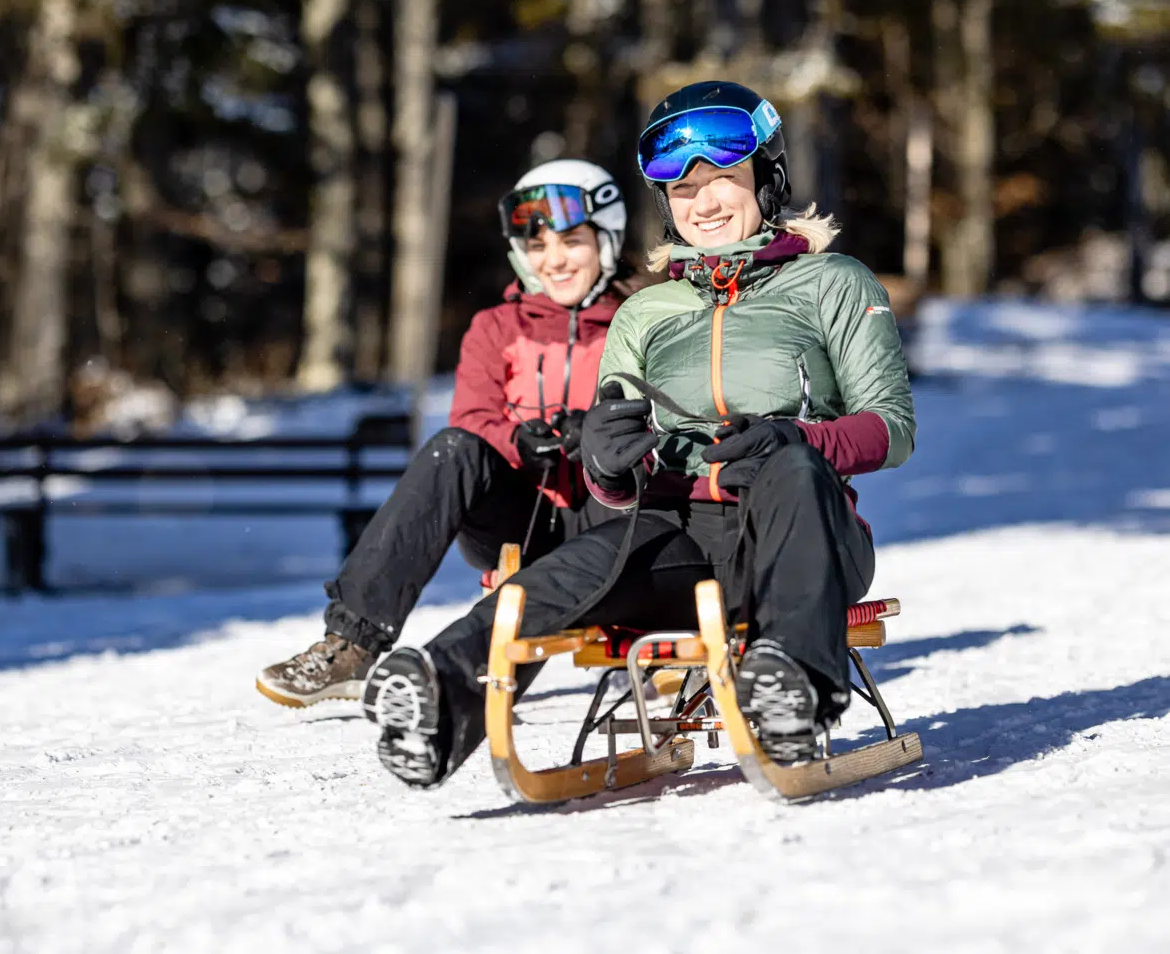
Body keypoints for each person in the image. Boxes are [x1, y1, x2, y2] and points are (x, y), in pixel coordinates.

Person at [359, 81, 917, 786]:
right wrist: (608, 464)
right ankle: (438, 699)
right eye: (684, 193)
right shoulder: (646, 312)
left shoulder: (832, 283)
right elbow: (608, 476)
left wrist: (800, 440)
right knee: (576, 565)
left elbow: (890, 429)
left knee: (791, 470)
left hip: (799, 524)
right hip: (680, 531)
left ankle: (790, 694)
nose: (704, 203)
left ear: (766, 179)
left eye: (721, 180)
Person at [256, 160, 635, 707]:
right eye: (537, 245)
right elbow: (473, 417)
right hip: (518, 515)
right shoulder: (496, 327)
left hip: (609, 513)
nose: (553, 260)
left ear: (607, 238)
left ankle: (653, 638)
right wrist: (519, 442)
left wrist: (601, 432)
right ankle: (352, 645)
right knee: (453, 448)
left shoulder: (640, 317)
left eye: (571, 241)